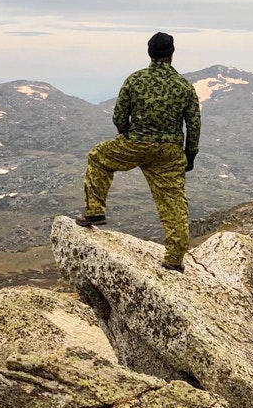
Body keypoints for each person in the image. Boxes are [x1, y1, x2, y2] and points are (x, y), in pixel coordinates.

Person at [76, 31, 201, 272]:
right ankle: (174, 259)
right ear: (171, 54)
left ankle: (94, 212)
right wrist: (190, 155)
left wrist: (127, 137)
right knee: (173, 201)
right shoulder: (184, 87)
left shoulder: (135, 80)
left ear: (149, 53)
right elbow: (194, 125)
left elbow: (119, 116)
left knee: (98, 158)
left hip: (135, 143)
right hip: (170, 152)